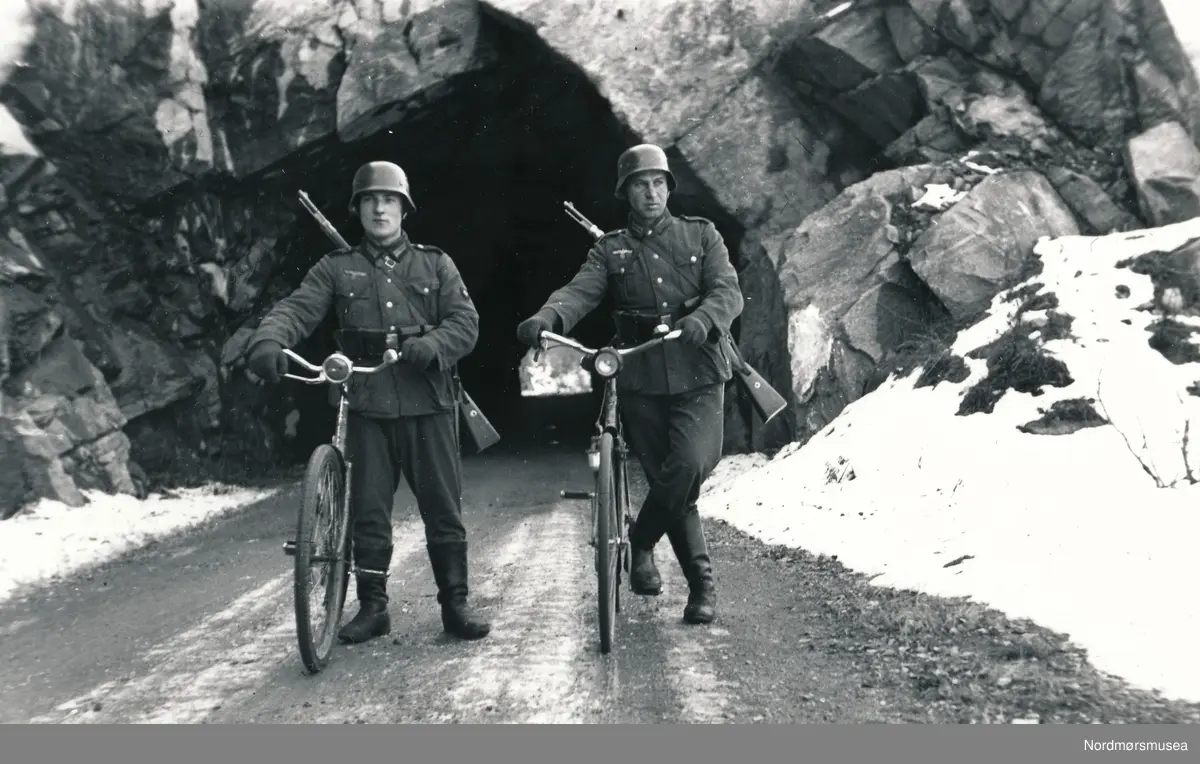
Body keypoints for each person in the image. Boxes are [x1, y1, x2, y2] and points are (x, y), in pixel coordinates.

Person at [246, 161, 490, 643]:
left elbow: (466, 323)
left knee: (442, 508)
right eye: (370, 200)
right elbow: (297, 308)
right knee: (368, 511)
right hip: (365, 403)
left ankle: (455, 605)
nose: (380, 208)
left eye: (390, 200)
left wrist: (433, 346)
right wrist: (267, 341)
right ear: (357, 209)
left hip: (428, 401)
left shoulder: (435, 263)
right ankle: (373, 608)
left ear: (404, 208)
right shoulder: (335, 269)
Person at [515, 144, 744, 624]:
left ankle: (641, 540)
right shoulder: (609, 249)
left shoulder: (701, 236)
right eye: (641, 184)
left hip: (699, 368)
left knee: (689, 466)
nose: (652, 192)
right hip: (639, 376)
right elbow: (580, 291)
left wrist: (705, 317)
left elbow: (728, 290)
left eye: (659, 183)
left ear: (669, 188)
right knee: (670, 478)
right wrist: (547, 317)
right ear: (626, 193)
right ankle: (703, 590)